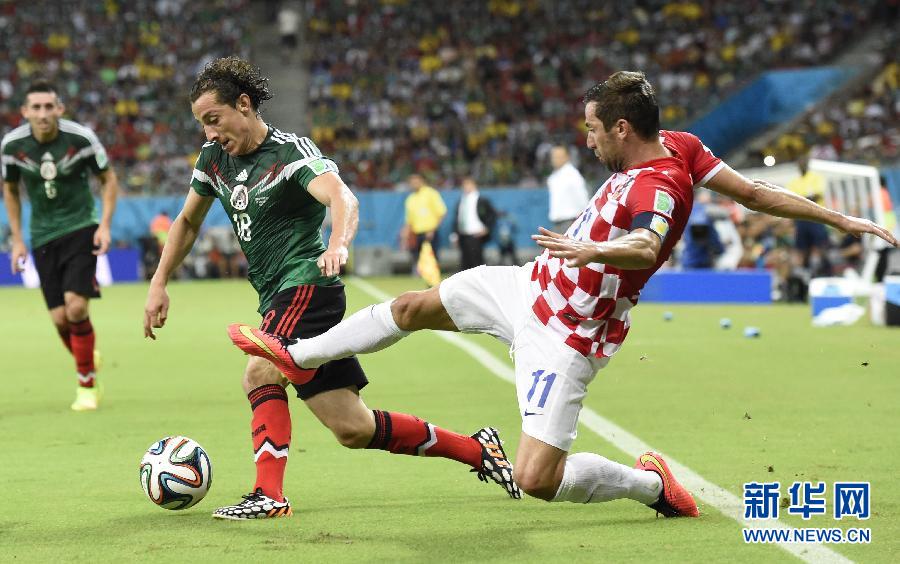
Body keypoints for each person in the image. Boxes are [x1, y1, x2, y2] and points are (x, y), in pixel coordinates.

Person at [229, 71, 897, 516]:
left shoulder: (655, 187)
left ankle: (651, 487)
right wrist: (840, 216)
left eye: (592, 131)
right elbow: (754, 191)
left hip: (569, 335)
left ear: (622, 131)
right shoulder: (684, 146)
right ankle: (302, 354)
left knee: (535, 481)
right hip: (530, 287)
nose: (586, 139)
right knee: (412, 307)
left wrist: (594, 248)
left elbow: (645, 243)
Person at [143, 57, 519, 521]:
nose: (208, 134)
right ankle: (477, 450)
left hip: (306, 287)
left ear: (243, 104)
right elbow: (186, 221)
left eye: (213, 120)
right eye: (202, 124)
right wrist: (159, 283)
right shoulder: (213, 160)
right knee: (352, 426)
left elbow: (342, 197)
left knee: (260, 371)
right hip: (277, 296)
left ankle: (269, 495)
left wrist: (338, 243)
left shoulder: (290, 153)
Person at [2, 79, 119, 411]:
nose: (42, 114)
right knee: (59, 320)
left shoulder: (81, 138)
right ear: (25, 111)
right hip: (42, 236)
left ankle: (87, 386)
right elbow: (10, 190)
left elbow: (108, 178)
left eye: (48, 106)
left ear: (59, 108)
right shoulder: (12, 146)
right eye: (35, 108)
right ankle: (86, 354)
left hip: (81, 227)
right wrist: (17, 240)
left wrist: (105, 226)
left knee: (76, 309)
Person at [452, 176, 497, 271]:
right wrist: (455, 234)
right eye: (464, 185)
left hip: (476, 234)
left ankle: (479, 282)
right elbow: (457, 218)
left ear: (474, 185)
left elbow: (492, 215)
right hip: (463, 234)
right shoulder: (461, 200)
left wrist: (487, 228)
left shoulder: (481, 200)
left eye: (468, 184)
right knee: (465, 262)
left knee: (476, 261)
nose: (465, 187)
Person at [403, 173, 446, 264]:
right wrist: (406, 234)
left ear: (422, 181)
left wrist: (432, 230)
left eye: (416, 181)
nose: (414, 184)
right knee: (417, 258)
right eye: (412, 182)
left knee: (431, 258)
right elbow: (409, 220)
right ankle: (418, 275)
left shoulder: (431, 193)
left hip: (429, 233)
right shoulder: (410, 198)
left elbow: (441, 213)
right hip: (416, 233)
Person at [547, 145, 589, 233]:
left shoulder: (573, 175)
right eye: (554, 157)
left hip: (570, 222)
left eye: (559, 156)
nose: (555, 159)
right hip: (557, 223)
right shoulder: (553, 177)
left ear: (567, 157)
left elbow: (583, 200)